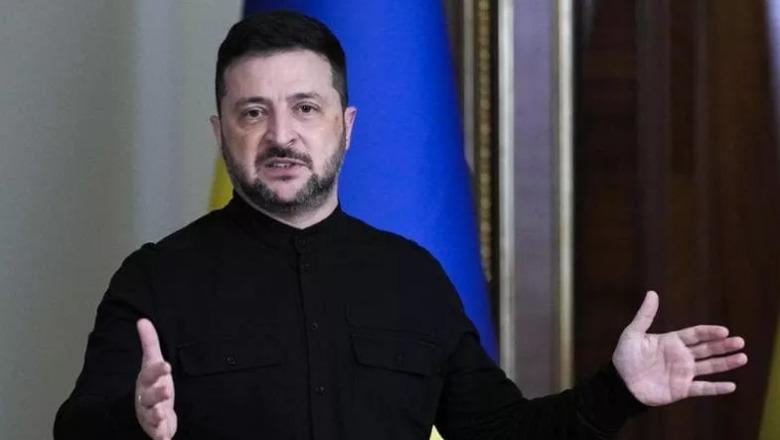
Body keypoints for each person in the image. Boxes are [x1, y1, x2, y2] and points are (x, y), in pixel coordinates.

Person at [53, 10, 748, 440]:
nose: (281, 135)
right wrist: (134, 424)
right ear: (220, 131)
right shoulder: (156, 279)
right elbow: (74, 431)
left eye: (305, 108)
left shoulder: (411, 278)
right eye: (253, 112)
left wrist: (616, 392)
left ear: (346, 125)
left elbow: (498, 433)